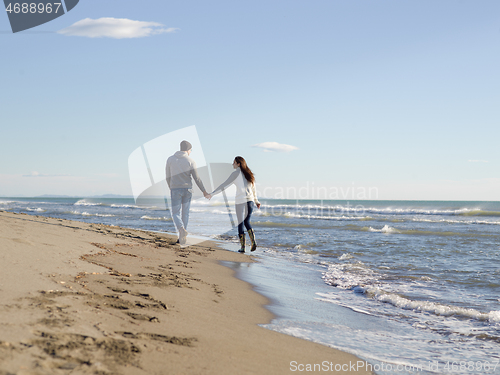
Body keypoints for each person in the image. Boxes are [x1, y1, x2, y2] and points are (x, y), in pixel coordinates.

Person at [210, 156, 261, 253]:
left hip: (240, 202)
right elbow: (254, 190)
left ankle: (242, 247)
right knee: (247, 222)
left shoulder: (235, 174)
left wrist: (212, 193)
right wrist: (256, 201)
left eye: (234, 162)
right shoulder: (249, 174)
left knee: (240, 223)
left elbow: (224, 185)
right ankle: (253, 241)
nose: (232, 164)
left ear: (238, 164)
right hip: (250, 202)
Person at [165, 140, 210, 245]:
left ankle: (181, 231)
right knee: (185, 213)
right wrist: (204, 191)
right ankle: (182, 235)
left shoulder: (170, 159)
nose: (190, 152)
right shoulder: (191, 161)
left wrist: (171, 186)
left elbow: (167, 176)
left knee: (175, 213)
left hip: (175, 189)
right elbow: (197, 178)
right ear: (188, 150)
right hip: (188, 190)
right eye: (191, 150)